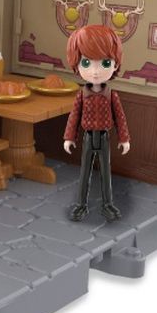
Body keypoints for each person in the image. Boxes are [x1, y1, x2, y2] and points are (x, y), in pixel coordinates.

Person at [63, 25, 130, 222]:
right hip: (87, 137)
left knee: (105, 172)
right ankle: (81, 205)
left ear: (115, 65)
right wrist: (69, 137)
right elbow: (74, 117)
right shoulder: (82, 96)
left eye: (105, 63)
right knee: (85, 172)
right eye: (86, 63)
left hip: (104, 137)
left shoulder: (111, 96)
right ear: (77, 65)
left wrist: (124, 138)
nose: (95, 72)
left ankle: (107, 204)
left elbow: (120, 118)